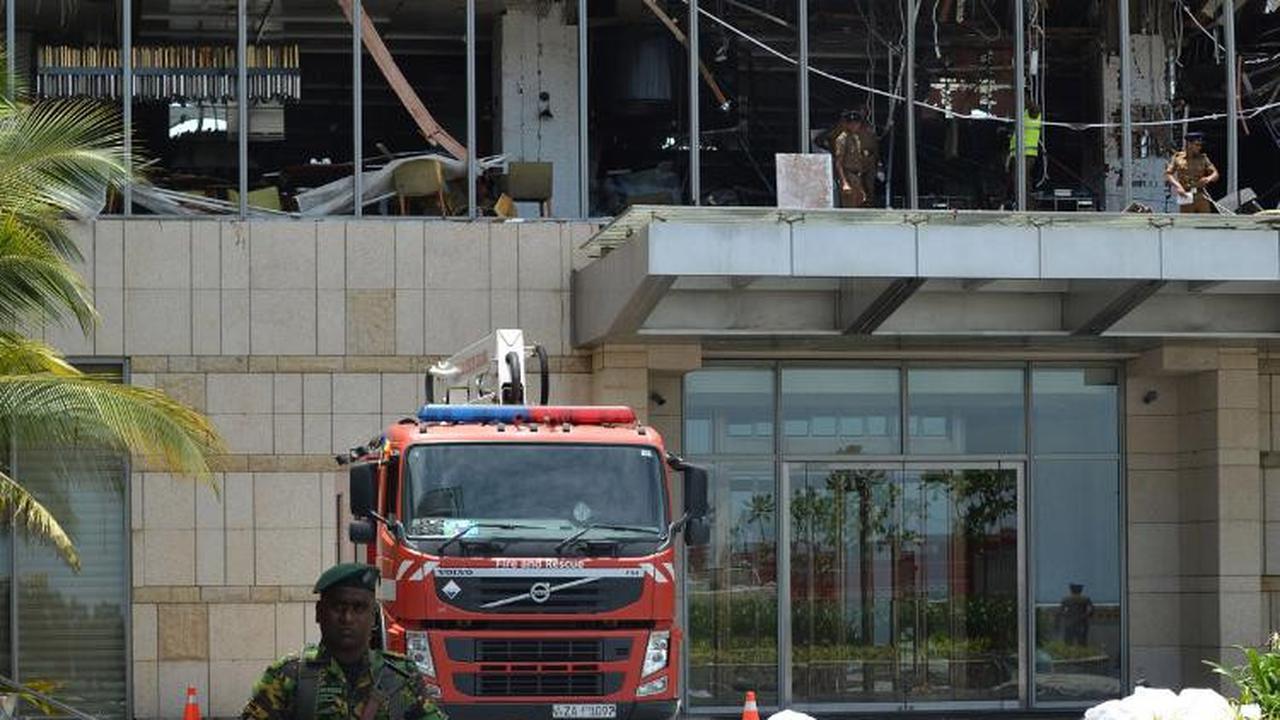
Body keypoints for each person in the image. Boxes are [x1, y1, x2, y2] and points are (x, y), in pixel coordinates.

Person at [242, 563, 447, 720]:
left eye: (358, 608)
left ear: (374, 617)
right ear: (319, 613)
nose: (347, 618)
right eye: (338, 607)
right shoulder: (289, 677)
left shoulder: (401, 677)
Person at [827, 110, 879, 208]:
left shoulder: (856, 137)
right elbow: (839, 163)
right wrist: (844, 182)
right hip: (849, 175)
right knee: (850, 206)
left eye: (856, 123)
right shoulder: (842, 139)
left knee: (861, 203)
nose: (854, 126)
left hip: (858, 176)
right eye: (851, 123)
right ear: (847, 124)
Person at [1164, 131, 1219, 214]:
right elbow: (1168, 174)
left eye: (1200, 145)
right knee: (1187, 221)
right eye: (1197, 145)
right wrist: (1178, 186)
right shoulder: (1178, 157)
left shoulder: (1203, 158)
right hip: (1186, 194)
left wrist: (1208, 178)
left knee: (1205, 221)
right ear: (1189, 144)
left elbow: (1215, 174)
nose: (1199, 147)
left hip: (1201, 194)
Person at [1007, 101, 1043, 207]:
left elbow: (1034, 109)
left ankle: (1027, 203)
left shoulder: (1032, 114)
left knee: (1022, 179)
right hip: (1018, 153)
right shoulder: (1023, 115)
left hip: (1026, 153)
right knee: (1019, 178)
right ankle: (1022, 202)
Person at [1058, 583, 1095, 647]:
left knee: (1068, 642)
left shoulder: (1066, 599)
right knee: (1082, 642)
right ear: (1080, 590)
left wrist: (1067, 615)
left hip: (1070, 623)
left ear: (1071, 590)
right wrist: (1085, 615)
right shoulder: (1085, 599)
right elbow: (1091, 609)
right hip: (1082, 622)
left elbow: (1061, 611)